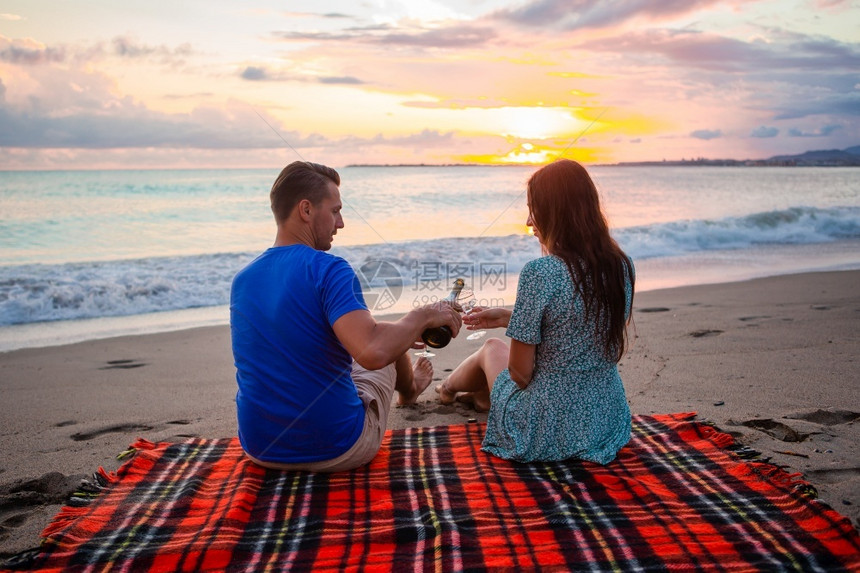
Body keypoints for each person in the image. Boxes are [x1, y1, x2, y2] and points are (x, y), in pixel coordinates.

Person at [230, 161, 461, 472]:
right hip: (336, 446)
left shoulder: (243, 280)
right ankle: (409, 391)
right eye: (335, 211)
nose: (340, 223)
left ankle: (407, 382)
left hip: (260, 447)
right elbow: (374, 352)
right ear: (306, 210)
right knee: (382, 340)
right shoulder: (329, 268)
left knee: (369, 335)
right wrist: (423, 315)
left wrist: (403, 328)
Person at [437, 159, 635, 464]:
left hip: (547, 429)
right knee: (496, 363)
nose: (529, 221)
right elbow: (577, 331)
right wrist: (512, 319)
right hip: (605, 420)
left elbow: (520, 374)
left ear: (554, 213)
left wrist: (517, 328)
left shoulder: (540, 273)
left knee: (491, 348)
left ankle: (446, 387)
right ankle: (475, 395)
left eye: (534, 209)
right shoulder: (621, 266)